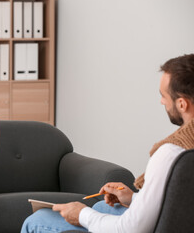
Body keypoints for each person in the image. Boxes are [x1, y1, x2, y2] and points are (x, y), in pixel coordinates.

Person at [21, 53, 194, 233]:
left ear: (182, 104)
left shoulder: (173, 154)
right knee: (102, 208)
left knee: (38, 219)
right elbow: (178, 207)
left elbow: (131, 229)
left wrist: (81, 214)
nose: (161, 101)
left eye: (164, 96)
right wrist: (134, 199)